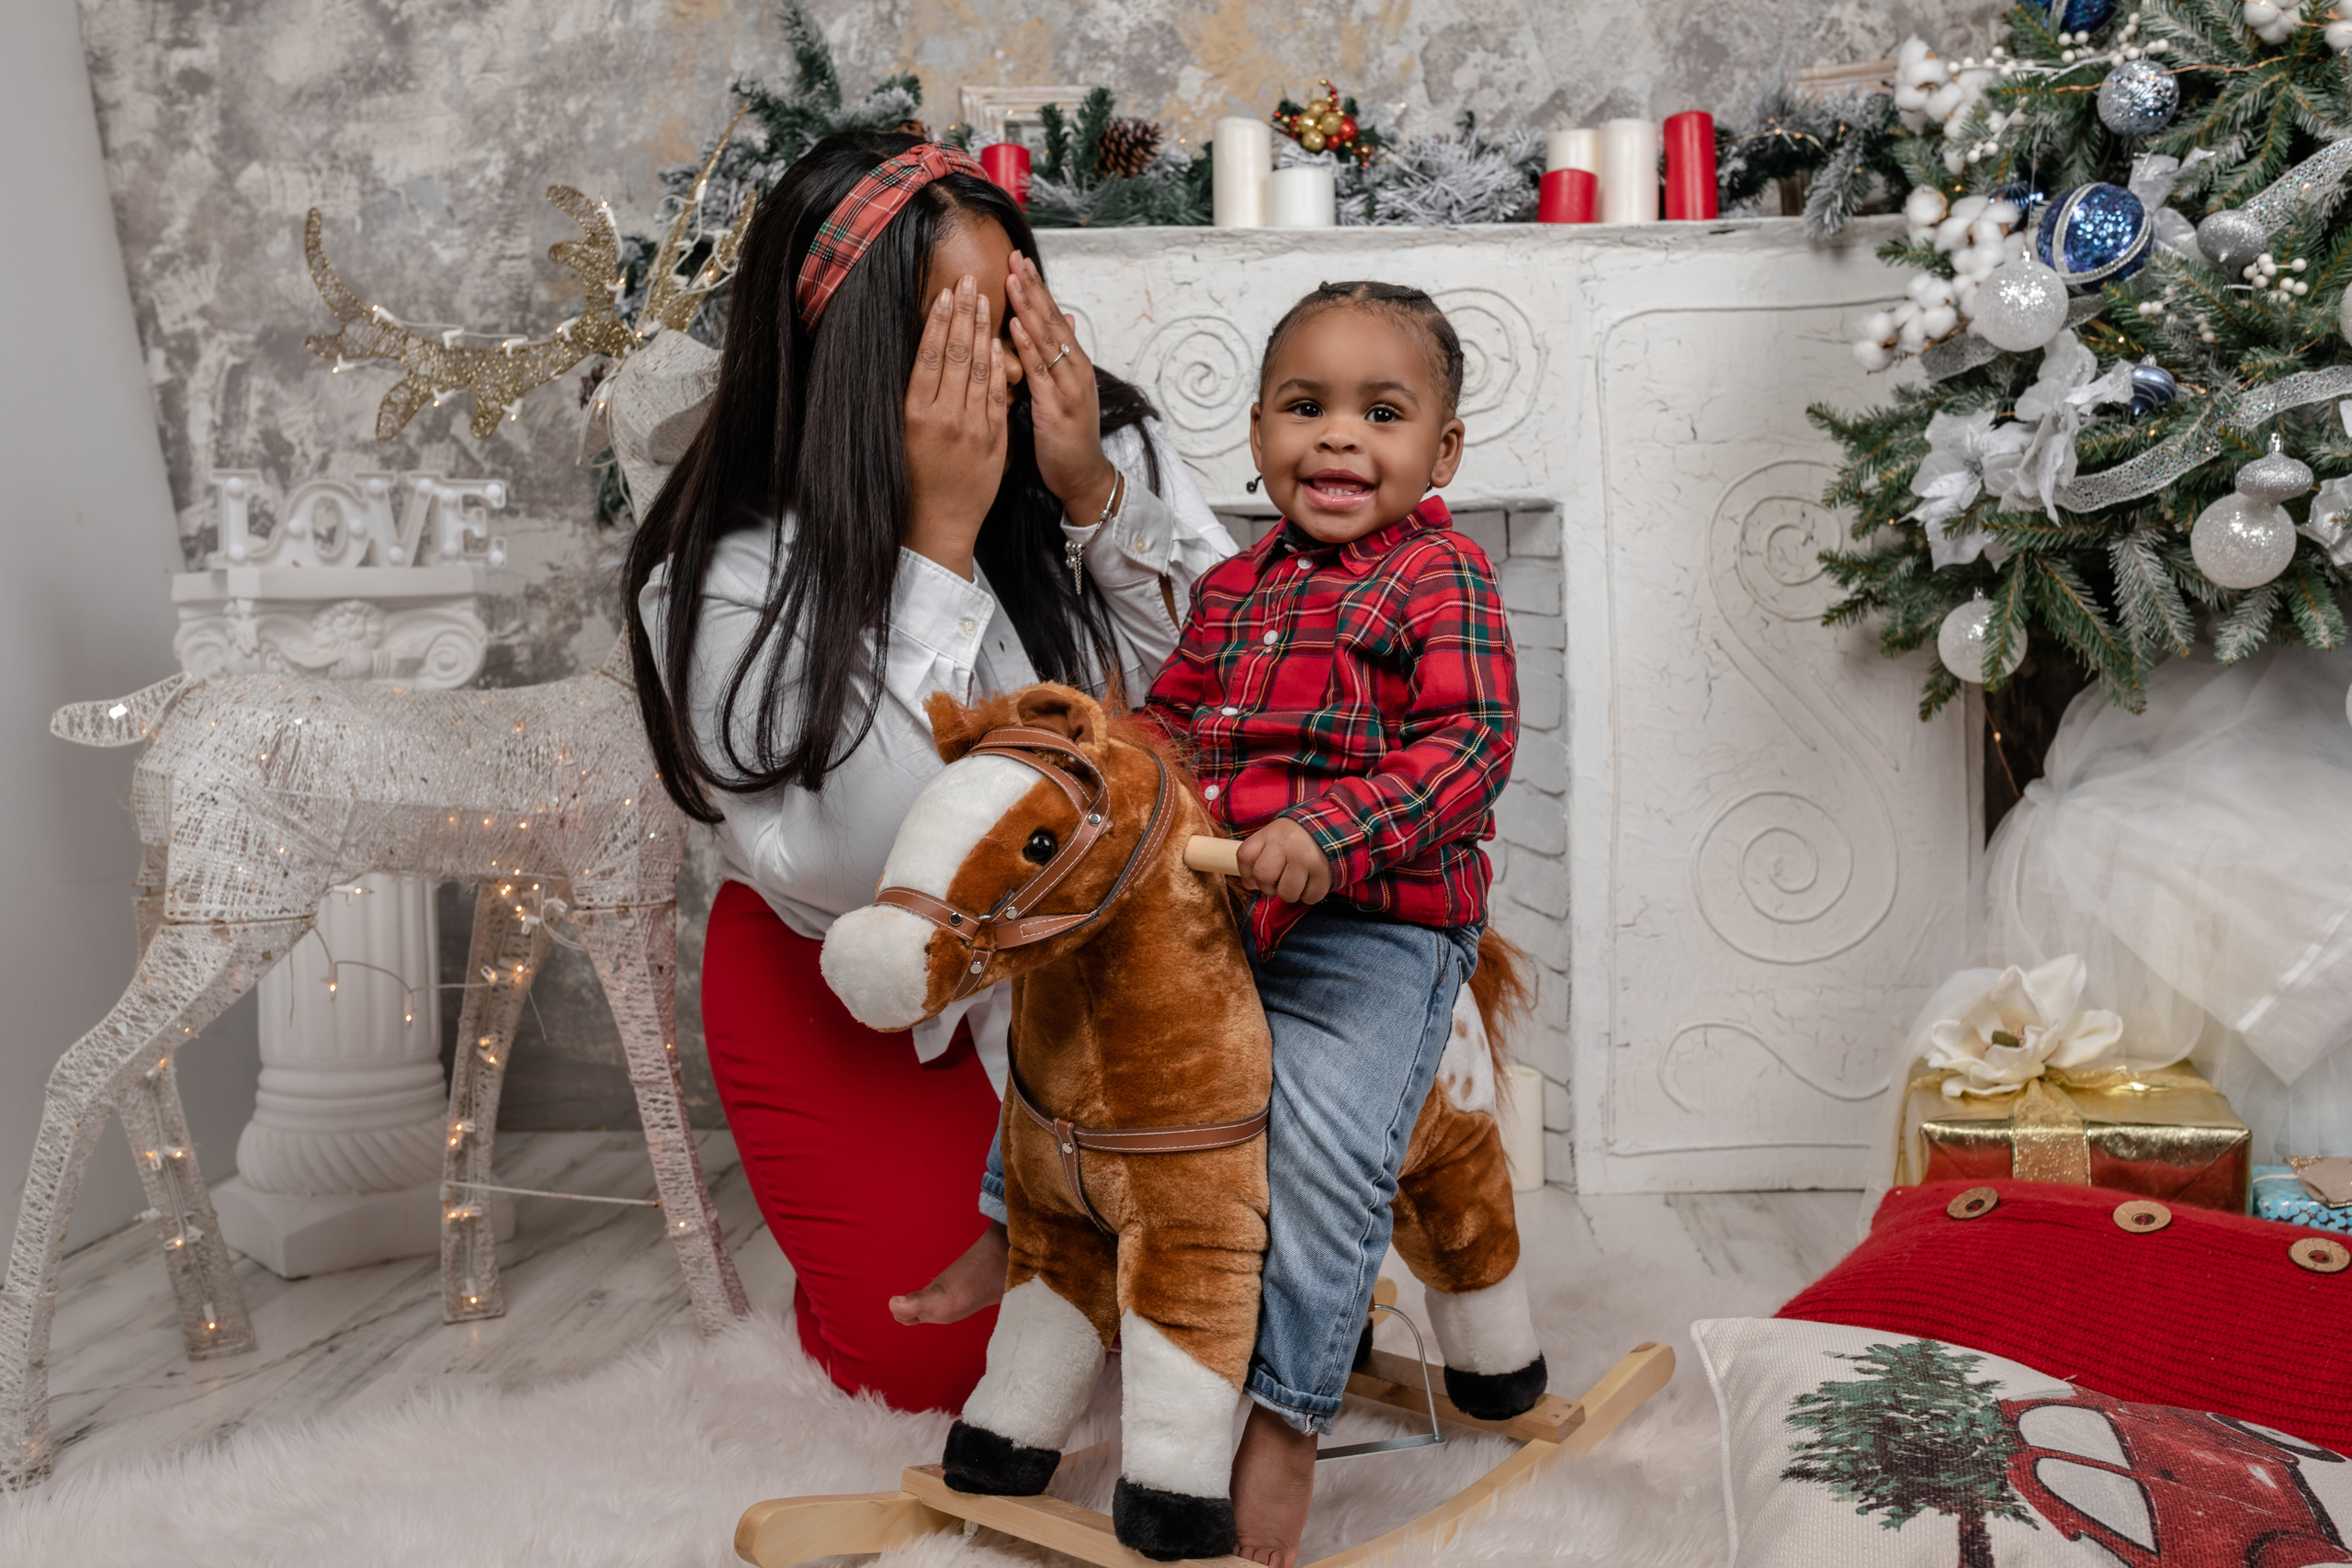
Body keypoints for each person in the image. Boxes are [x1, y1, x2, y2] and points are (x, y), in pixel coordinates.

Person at [622, 130, 1235, 1414]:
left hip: (1079, 962)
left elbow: (1216, 720)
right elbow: (867, 858)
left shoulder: (1096, 444)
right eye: (962, 332)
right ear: (858, 364)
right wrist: (936, 550)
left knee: (1204, 1283)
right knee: (941, 1361)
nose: (1007, 367)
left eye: (1020, 310)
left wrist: (1092, 504)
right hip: (845, 980)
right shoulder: (727, 564)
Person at [1145, 281, 1519, 1566]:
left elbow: (1471, 743)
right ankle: (1015, 1243)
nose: (1339, 439)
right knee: (1103, 1059)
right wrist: (1109, 779)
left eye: (1382, 411)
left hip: (1381, 932)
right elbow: (1172, 720)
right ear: (1257, 435)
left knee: (1315, 1155)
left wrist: (1334, 833)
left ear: (1441, 451)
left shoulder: (1442, 577)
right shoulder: (1233, 589)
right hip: (1228, 917)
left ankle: (1285, 1421)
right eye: (1306, 407)